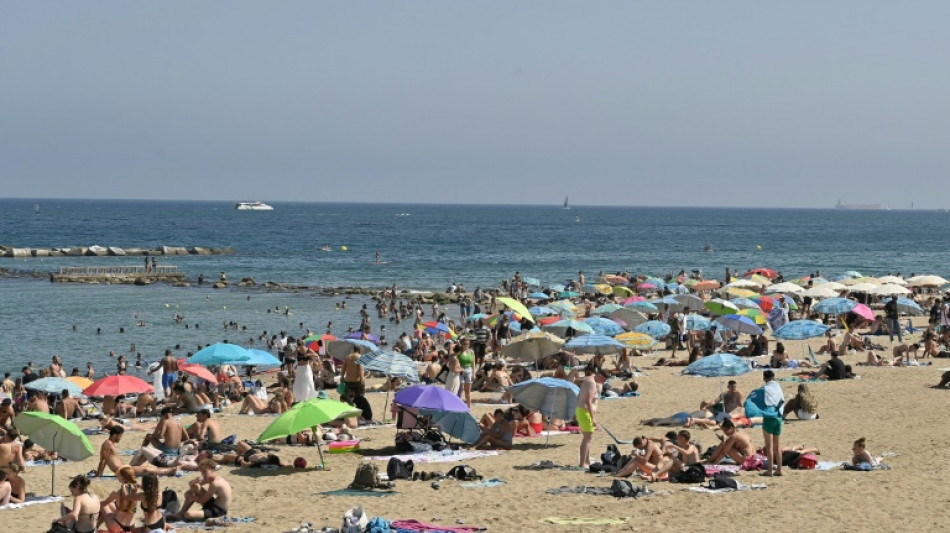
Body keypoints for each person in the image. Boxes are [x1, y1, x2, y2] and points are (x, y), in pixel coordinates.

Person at [97, 426, 178, 477]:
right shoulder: (107, 444)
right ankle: (169, 471)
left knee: (146, 468)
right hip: (121, 471)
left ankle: (169, 470)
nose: (120, 438)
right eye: (119, 436)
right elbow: (103, 460)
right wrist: (99, 475)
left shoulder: (111, 444)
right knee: (146, 470)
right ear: (114, 435)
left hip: (125, 468)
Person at [760, 370, 784, 477]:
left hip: (769, 417)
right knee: (777, 446)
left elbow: (762, 402)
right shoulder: (778, 387)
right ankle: (779, 469)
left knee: (769, 446)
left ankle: (770, 470)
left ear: (764, 378)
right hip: (778, 416)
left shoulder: (765, 389)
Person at [576, 367, 599, 469]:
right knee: (587, 438)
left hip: (582, 411)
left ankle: (587, 461)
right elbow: (588, 401)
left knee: (588, 437)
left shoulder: (588, 380)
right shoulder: (591, 383)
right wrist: (593, 418)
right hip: (585, 411)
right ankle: (582, 464)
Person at [457, 338, 475, 407]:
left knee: (467, 390)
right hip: (461, 370)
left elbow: (473, 363)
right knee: (460, 388)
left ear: (469, 344)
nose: (465, 345)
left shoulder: (471, 352)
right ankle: (458, 404)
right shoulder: (459, 352)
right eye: (464, 344)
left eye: (467, 344)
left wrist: (474, 373)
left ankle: (469, 406)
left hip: (469, 370)